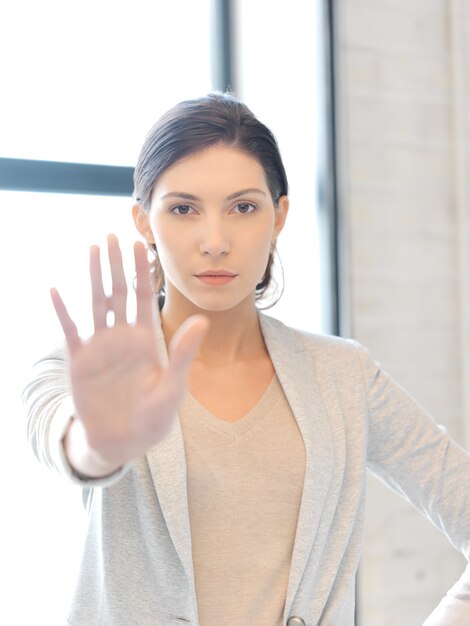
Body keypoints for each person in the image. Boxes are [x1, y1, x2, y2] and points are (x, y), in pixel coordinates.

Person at [23, 92, 470, 626]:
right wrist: (100, 444)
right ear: (144, 221)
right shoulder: (85, 368)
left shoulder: (343, 376)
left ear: (279, 215)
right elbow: (65, 439)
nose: (215, 241)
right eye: (183, 209)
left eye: (243, 207)